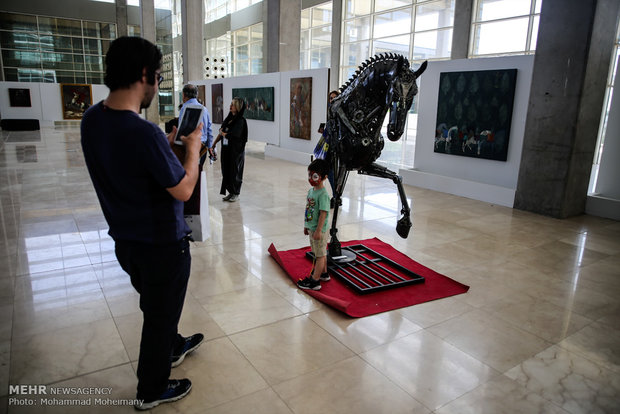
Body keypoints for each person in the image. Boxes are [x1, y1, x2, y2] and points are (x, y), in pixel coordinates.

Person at [80, 36, 204, 411]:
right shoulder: (143, 132)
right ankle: (152, 388)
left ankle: (172, 344)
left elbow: (129, 165)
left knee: (156, 304)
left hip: (126, 242)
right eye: (159, 76)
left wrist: (163, 145)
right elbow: (182, 189)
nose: (159, 84)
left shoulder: (92, 119)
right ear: (145, 74)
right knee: (158, 313)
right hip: (163, 245)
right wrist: (193, 150)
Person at [297, 158, 331, 291]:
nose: (311, 178)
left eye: (315, 176)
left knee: (320, 254)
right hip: (312, 228)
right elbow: (309, 210)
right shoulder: (311, 192)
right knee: (319, 252)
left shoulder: (323, 195)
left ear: (324, 177)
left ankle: (315, 281)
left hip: (319, 230)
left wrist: (318, 230)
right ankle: (323, 273)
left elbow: (323, 214)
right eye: (309, 175)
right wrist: (306, 226)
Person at [210, 97, 248, 202]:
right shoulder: (228, 119)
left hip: (235, 152)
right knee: (226, 171)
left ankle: (236, 193)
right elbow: (221, 133)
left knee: (235, 171)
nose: (230, 106)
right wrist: (214, 144)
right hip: (226, 150)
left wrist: (223, 133)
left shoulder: (241, 121)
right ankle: (231, 192)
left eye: (233, 104)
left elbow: (231, 135)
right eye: (231, 104)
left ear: (238, 107)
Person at [179, 84, 215, 163]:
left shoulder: (184, 108)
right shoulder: (204, 109)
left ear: (184, 95)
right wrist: (210, 147)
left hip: (190, 148)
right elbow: (209, 129)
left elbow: (181, 129)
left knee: (190, 173)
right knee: (199, 171)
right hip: (202, 148)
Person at [314, 90, 340, 194]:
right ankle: (335, 195)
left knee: (331, 172)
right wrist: (324, 131)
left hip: (335, 147)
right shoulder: (330, 111)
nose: (332, 100)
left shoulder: (339, 112)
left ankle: (336, 195)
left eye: (334, 98)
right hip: (328, 146)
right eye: (330, 98)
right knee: (329, 172)